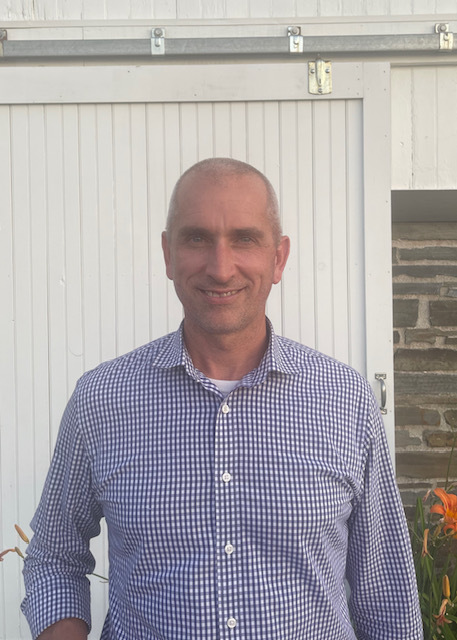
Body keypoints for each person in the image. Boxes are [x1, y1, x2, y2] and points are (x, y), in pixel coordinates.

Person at [22, 158, 423, 640]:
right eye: (197, 238)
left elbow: (384, 587)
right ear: (168, 254)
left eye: (245, 239)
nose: (220, 267)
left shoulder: (344, 398)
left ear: (278, 258)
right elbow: (54, 557)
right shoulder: (102, 400)